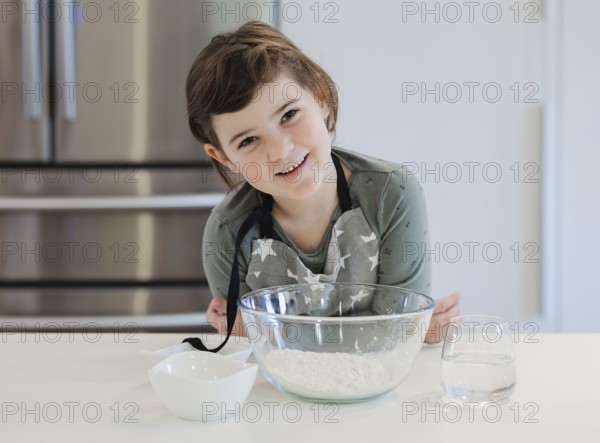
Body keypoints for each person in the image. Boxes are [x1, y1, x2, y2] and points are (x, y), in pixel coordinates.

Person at [186, 21, 461, 345]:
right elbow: (256, 354)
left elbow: (396, 340)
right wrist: (402, 329)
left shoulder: (393, 195)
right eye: (248, 140)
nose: (281, 151)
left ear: (321, 98)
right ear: (224, 158)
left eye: (289, 115)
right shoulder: (227, 234)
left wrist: (273, 333)